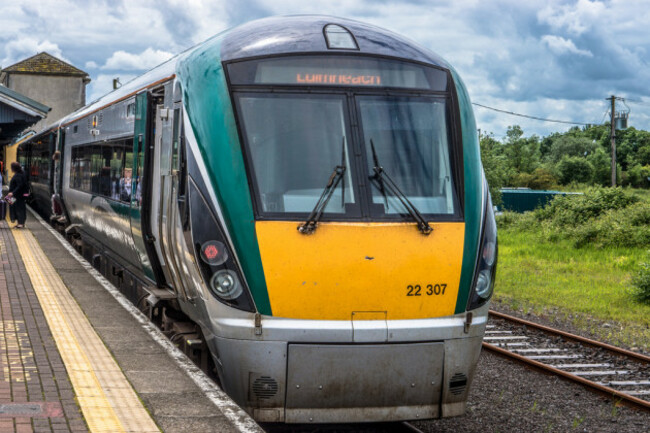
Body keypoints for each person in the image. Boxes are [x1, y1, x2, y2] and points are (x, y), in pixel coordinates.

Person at [7, 162, 28, 228]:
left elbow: (19, 186)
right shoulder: (21, 173)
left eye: (11, 168)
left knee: (19, 208)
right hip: (17, 195)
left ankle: (20, 223)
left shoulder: (18, 175)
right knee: (14, 205)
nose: (11, 169)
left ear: (14, 168)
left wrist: (12, 192)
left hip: (18, 196)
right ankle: (18, 221)